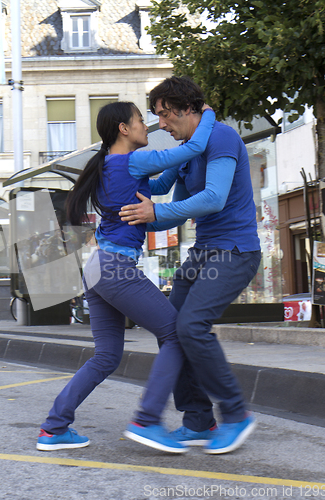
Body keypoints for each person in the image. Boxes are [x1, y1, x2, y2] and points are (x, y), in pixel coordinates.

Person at [36, 101, 216, 453]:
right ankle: (148, 420)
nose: (146, 127)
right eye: (139, 121)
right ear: (123, 128)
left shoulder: (108, 165)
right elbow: (194, 147)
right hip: (117, 268)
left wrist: (178, 170)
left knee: (105, 357)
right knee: (176, 333)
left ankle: (53, 428)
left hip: (97, 267)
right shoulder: (132, 160)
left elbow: (158, 185)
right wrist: (207, 114)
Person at [119, 76, 262, 455]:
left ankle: (236, 415)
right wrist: (138, 214)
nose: (161, 125)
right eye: (157, 117)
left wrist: (157, 209)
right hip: (203, 253)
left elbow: (214, 199)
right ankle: (198, 421)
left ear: (188, 108)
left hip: (235, 250)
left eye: (165, 115)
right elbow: (171, 212)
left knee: (192, 325)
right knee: (172, 329)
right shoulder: (189, 150)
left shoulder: (223, 138)